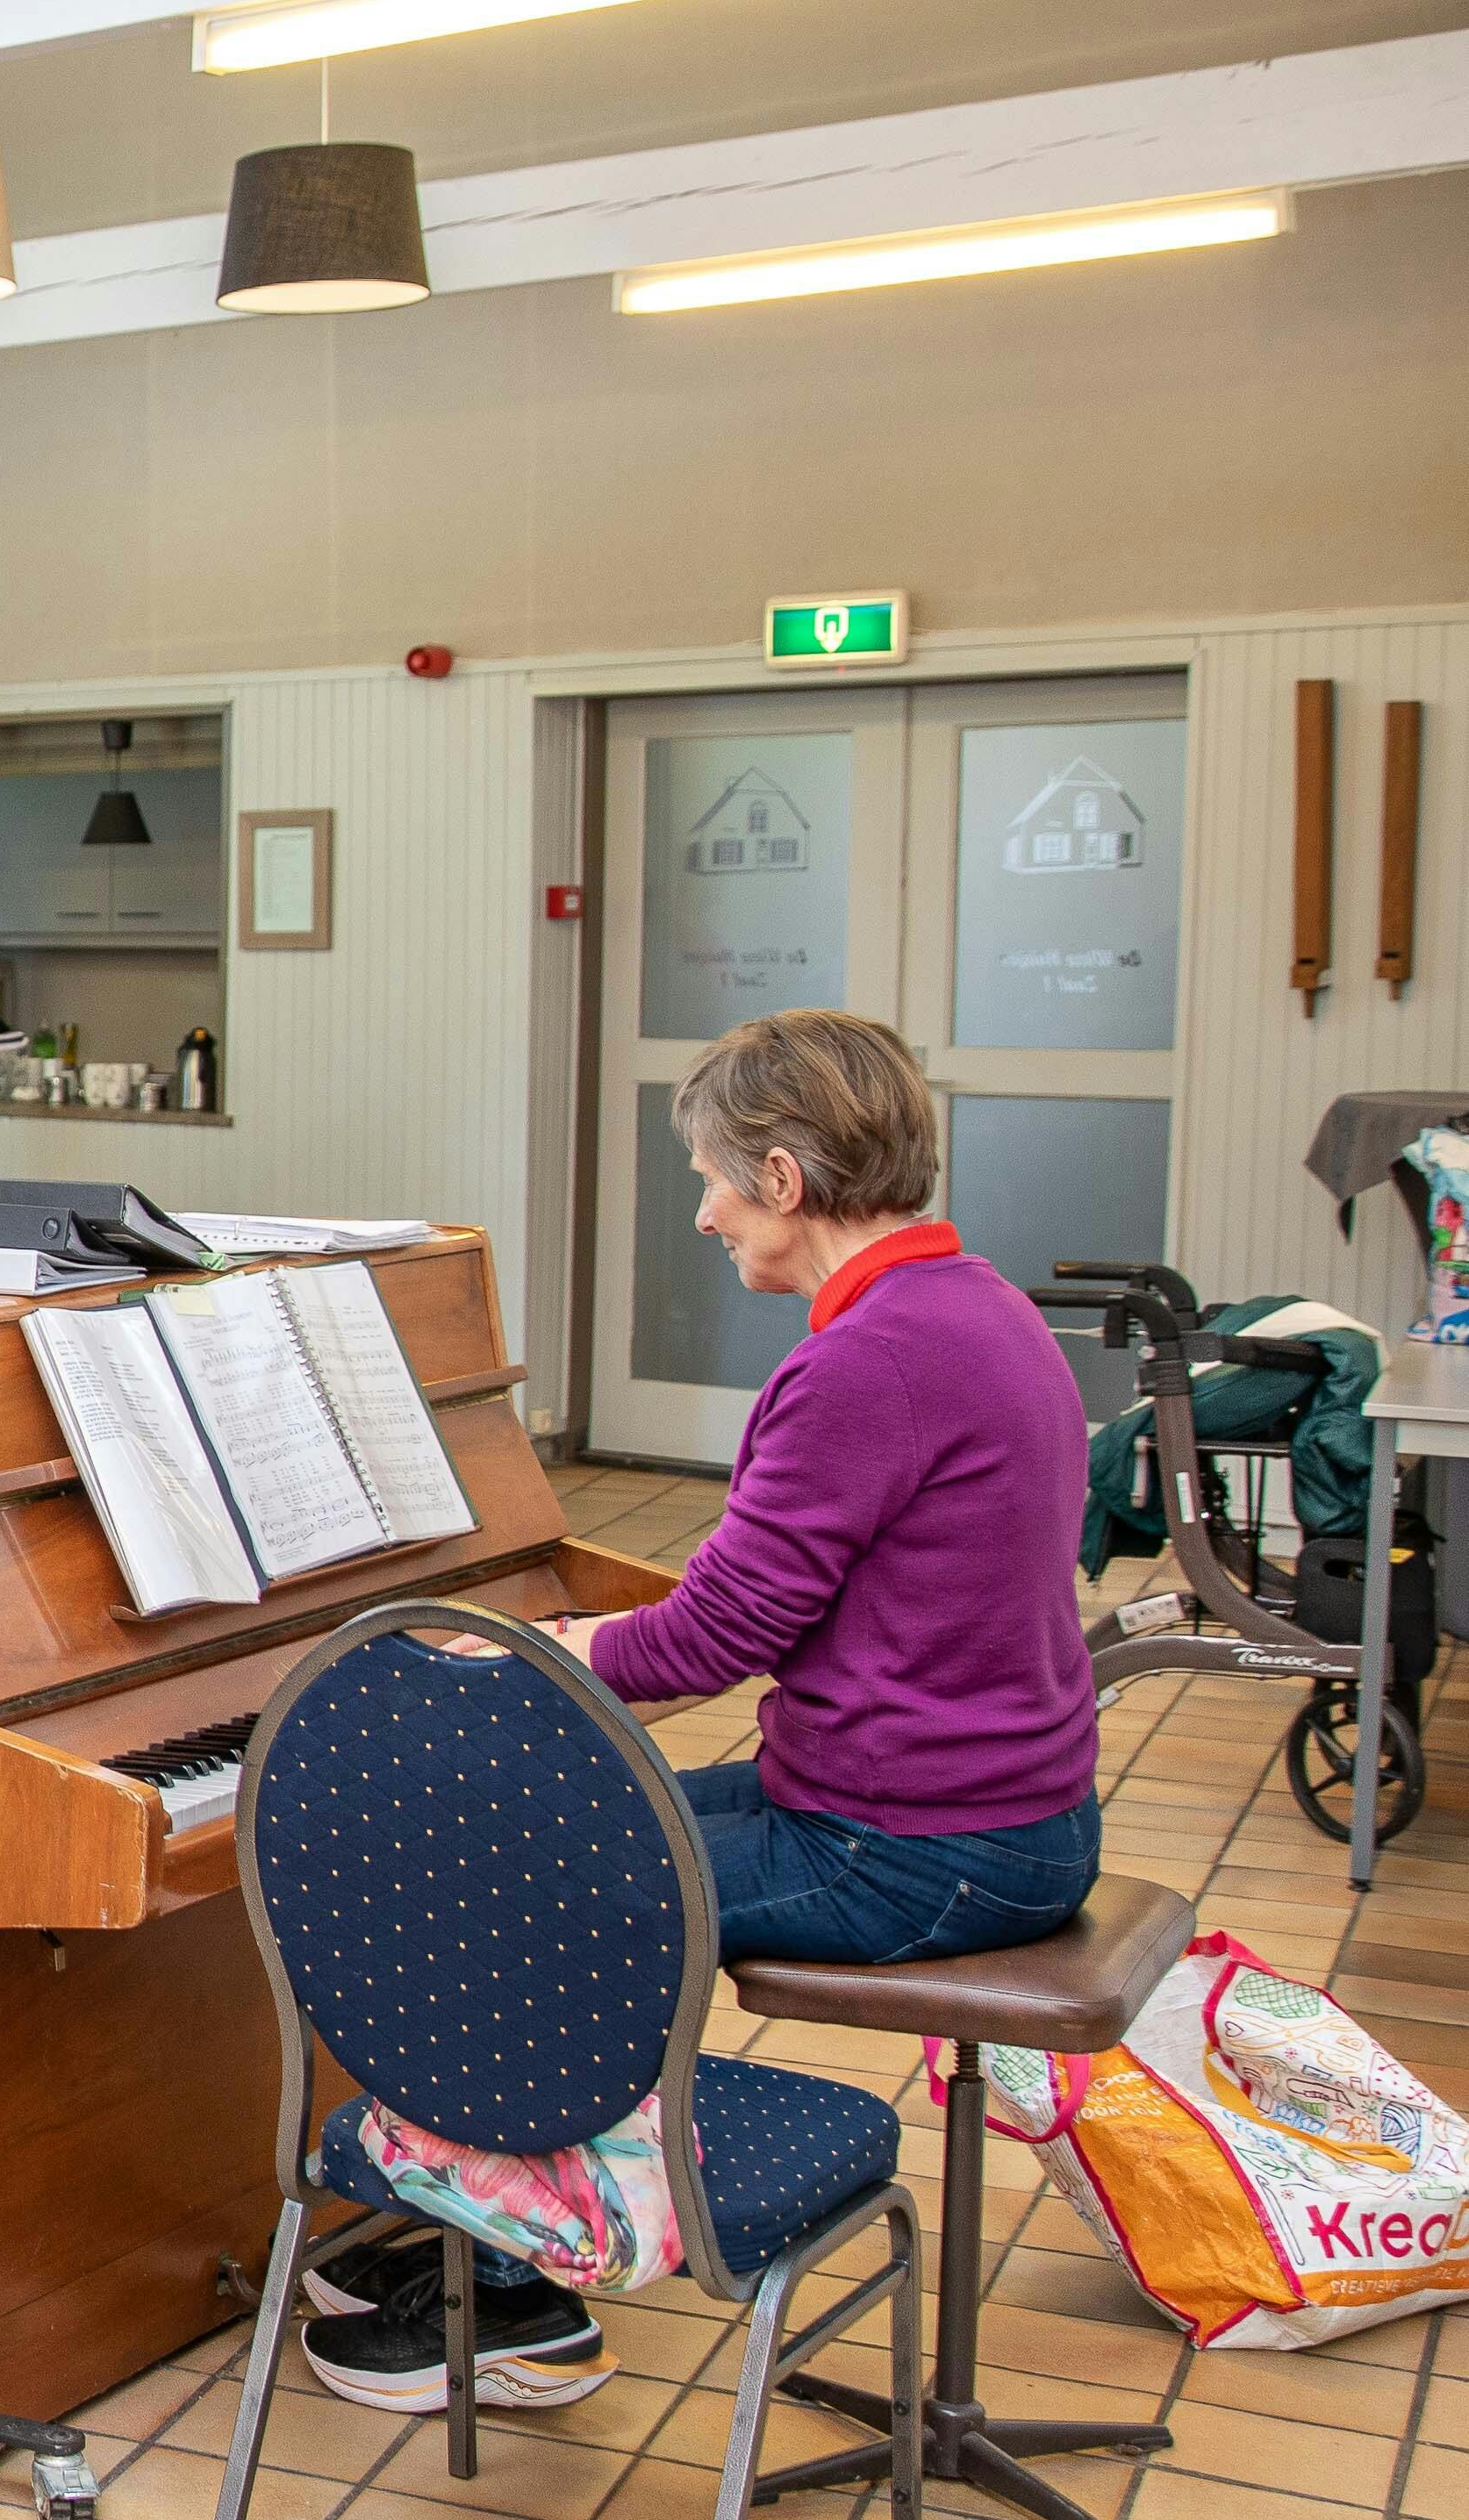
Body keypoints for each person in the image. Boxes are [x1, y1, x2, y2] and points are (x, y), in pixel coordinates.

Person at [304, 1008, 1105, 2416]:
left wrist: (526, 1652)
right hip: (978, 1815)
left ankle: (519, 2303)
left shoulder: (863, 1362)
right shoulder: (974, 1305)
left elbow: (719, 1634)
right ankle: (470, 2225)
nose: (705, 1212)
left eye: (714, 1178)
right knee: (566, 1829)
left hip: (913, 1849)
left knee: (520, 1893)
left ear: (785, 1181)